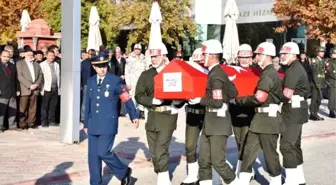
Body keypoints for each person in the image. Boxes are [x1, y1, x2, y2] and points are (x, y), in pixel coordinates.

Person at [188, 39, 239, 185]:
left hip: (218, 125)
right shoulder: (218, 73)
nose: (202, 57)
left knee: (218, 162)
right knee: (203, 160)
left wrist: (200, 100)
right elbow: (233, 92)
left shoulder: (216, 75)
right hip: (211, 123)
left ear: (211, 56)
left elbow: (217, 102)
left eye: (204, 54)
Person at [83, 55, 139, 185]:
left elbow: (126, 98)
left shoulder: (115, 81)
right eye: (98, 67)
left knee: (103, 152)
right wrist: (86, 122)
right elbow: (88, 103)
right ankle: (95, 182)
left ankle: (123, 172)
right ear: (93, 67)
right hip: (93, 123)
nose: (102, 69)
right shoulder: (91, 81)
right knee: (93, 156)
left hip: (108, 123)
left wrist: (133, 115)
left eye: (104, 66)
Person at [233, 42, 283, 185]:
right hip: (259, 120)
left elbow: (259, 98)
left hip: (268, 120)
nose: (256, 56)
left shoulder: (268, 74)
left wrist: (238, 101)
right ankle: (243, 178)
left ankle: (276, 181)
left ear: (267, 56)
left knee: (270, 154)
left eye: (259, 54)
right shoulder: (266, 72)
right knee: (248, 151)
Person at [135, 42, 181, 185]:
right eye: (152, 56)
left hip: (168, 115)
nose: (153, 59)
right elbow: (138, 95)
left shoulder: (173, 73)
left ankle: (164, 179)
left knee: (161, 148)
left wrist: (178, 102)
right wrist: (152, 101)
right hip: (152, 115)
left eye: (156, 56)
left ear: (163, 56)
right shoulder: (146, 75)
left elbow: (181, 95)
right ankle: (161, 170)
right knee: (154, 152)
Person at [279, 42, 310, 185]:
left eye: (285, 53)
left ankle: (291, 180)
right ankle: (299, 178)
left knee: (286, 145)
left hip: (292, 111)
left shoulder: (293, 70)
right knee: (295, 145)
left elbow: (286, 94)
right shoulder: (294, 67)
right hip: (297, 110)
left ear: (293, 54)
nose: (282, 56)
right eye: (281, 53)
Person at [180, 48, 207, 185]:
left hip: (208, 114)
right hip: (192, 113)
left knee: (206, 148)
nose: (198, 64)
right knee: (190, 145)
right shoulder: (187, 74)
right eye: (196, 61)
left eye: (201, 61)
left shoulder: (212, 73)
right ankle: (192, 174)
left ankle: (204, 175)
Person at [229, 44, 256, 176]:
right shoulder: (231, 71)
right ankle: (244, 166)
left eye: (247, 57)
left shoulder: (257, 71)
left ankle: (244, 169)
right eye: (242, 57)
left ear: (251, 58)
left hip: (250, 112)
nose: (244, 60)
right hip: (234, 111)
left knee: (245, 142)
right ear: (238, 58)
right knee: (238, 141)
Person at [0, 50, 19, 132]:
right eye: (4, 56)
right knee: (1, 110)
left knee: (13, 110)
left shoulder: (12, 65)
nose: (6, 58)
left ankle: (12, 126)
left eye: (8, 56)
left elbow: (16, 79)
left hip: (12, 91)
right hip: (2, 91)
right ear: (0, 56)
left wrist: (17, 89)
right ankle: (0, 126)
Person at [309, 46, 326, 121]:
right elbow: (314, 74)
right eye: (321, 52)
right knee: (314, 99)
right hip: (315, 84)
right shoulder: (314, 61)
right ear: (317, 52)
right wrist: (317, 83)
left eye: (323, 52)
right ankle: (312, 114)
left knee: (319, 100)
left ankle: (316, 113)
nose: (322, 53)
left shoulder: (322, 61)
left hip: (321, 83)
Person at [325, 47, 336, 118]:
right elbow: (330, 73)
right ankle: (331, 111)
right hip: (332, 82)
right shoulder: (329, 62)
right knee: (332, 97)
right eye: (333, 53)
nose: (334, 55)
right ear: (331, 54)